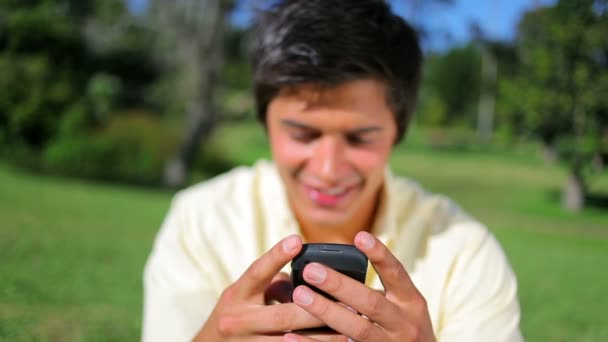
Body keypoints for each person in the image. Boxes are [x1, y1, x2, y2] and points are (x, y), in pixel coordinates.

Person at [142, 0, 523, 341]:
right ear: (265, 122)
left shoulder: (464, 252)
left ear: (399, 129)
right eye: (303, 133)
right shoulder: (201, 221)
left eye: (360, 138)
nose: (327, 169)